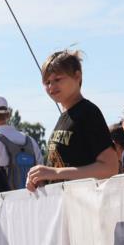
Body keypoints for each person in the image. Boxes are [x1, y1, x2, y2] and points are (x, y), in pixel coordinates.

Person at [26, 50, 118, 192]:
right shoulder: (65, 116)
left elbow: (110, 167)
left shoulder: (88, 112)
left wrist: (55, 173)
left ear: (77, 76)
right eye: (47, 82)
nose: (51, 87)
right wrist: (41, 178)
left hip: (85, 206)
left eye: (57, 79)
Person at [0, 94, 43, 190]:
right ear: (8, 115)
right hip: (32, 199)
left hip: (5, 201)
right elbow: (42, 174)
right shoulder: (30, 141)